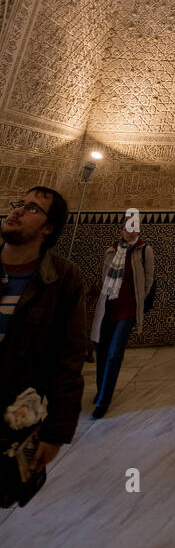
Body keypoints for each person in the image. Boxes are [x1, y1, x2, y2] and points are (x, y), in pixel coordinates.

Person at [0, 188, 86, 503]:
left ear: (48, 228)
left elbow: (68, 359)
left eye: (32, 209)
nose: (18, 211)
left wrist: (56, 432)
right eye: (19, 204)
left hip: (12, 417)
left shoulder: (62, 279)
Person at [90, 215, 156, 419]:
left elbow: (148, 280)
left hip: (127, 310)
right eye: (128, 228)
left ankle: (104, 401)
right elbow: (104, 278)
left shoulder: (145, 250)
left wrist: (138, 301)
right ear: (122, 230)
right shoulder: (111, 250)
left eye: (135, 227)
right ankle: (101, 390)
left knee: (114, 354)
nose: (131, 231)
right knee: (102, 352)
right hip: (108, 309)